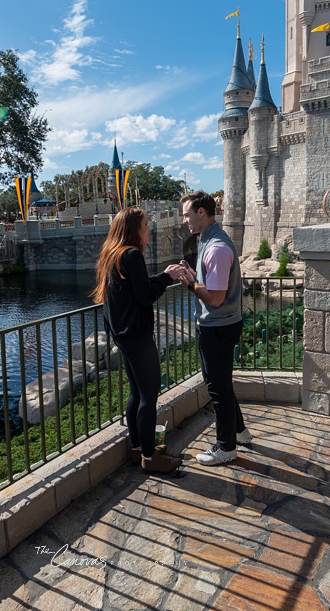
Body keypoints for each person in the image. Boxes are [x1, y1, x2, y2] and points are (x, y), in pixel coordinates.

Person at [91, 207, 185, 474]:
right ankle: (150, 457)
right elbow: (145, 297)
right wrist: (169, 277)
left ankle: (137, 449)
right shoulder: (132, 255)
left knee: (136, 393)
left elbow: (134, 290)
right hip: (137, 336)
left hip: (122, 335)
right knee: (149, 395)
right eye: (145, 223)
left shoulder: (112, 255)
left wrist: (160, 276)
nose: (149, 228)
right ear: (133, 228)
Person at [173, 191, 251, 466]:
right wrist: (194, 277)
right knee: (221, 384)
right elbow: (213, 286)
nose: (184, 220)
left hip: (217, 327)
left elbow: (216, 298)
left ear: (202, 213)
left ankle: (225, 448)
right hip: (222, 324)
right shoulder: (210, 242)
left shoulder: (216, 247)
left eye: (186, 214)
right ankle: (239, 431)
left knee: (217, 389)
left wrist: (189, 284)